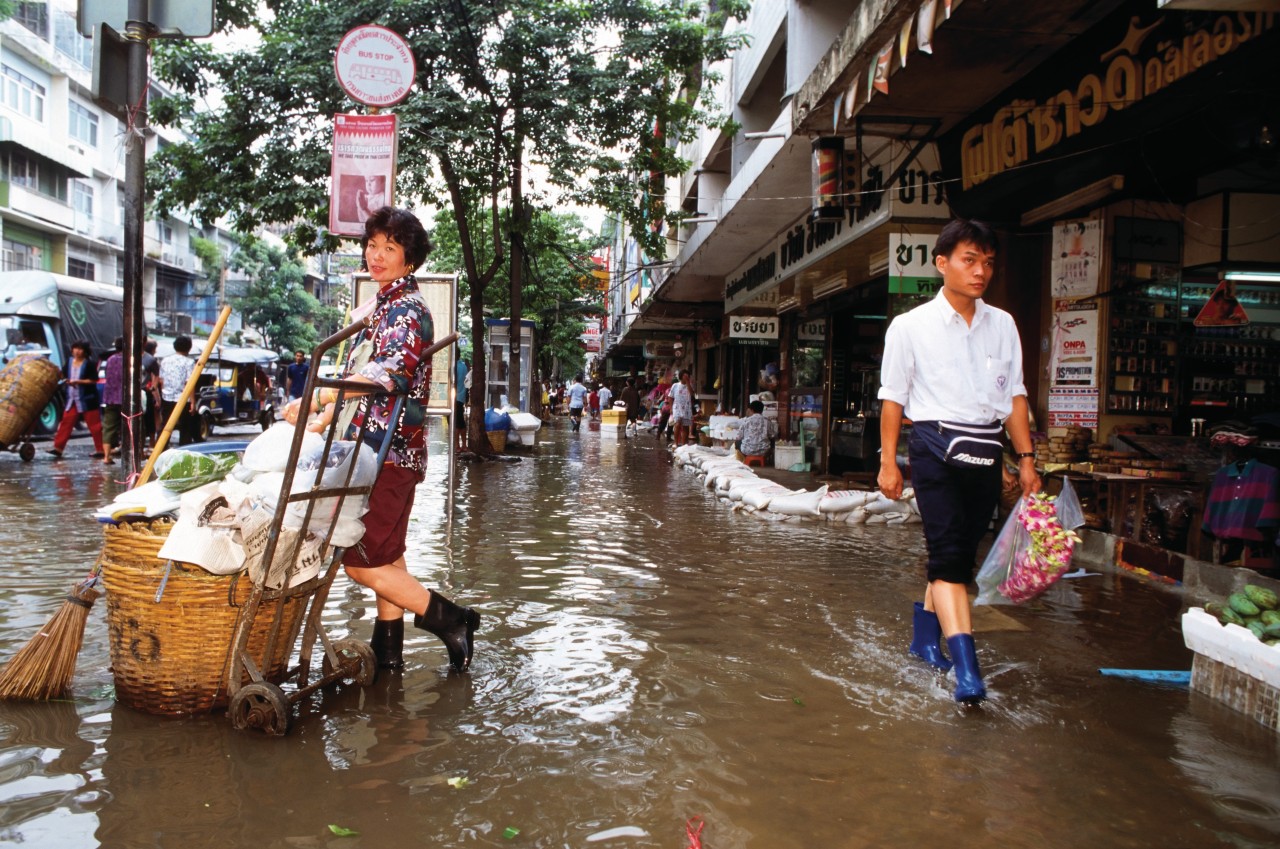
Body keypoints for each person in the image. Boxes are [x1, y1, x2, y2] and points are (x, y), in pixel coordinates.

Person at [284, 205, 480, 673]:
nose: (377, 255)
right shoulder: (383, 307)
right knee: (388, 555)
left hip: (388, 456)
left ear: (409, 260)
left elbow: (386, 374)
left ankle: (453, 619)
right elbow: (363, 385)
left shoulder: (406, 309)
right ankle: (389, 653)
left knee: (360, 561)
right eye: (373, 245)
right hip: (375, 452)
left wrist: (316, 401)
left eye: (390, 248)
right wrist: (326, 412)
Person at [877, 218, 1040, 704]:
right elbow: (892, 400)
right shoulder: (909, 327)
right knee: (948, 556)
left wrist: (1026, 458)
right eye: (970, 260)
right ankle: (968, 670)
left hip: (987, 450)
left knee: (960, 555)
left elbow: (1014, 397)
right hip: (933, 446)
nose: (980, 272)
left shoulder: (1004, 324)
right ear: (941, 263)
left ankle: (925, 636)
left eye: (988, 263)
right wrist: (890, 463)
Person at [48, 340, 105, 459]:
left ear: (85, 352)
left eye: (80, 349)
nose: (77, 351)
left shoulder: (89, 364)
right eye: (76, 348)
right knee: (66, 423)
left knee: (95, 426)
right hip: (72, 399)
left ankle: (101, 449)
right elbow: (63, 375)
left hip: (87, 399)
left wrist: (77, 382)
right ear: (72, 350)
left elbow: (93, 380)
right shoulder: (69, 362)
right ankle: (58, 448)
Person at [159, 335, 199, 446]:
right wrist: (192, 402)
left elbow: (161, 380)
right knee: (185, 428)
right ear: (189, 348)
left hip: (166, 397)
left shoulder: (165, 361)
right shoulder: (189, 362)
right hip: (183, 399)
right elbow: (189, 383)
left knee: (166, 426)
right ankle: (183, 450)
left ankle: (160, 451)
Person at [101, 337, 124, 464]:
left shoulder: (110, 359)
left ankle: (106, 456)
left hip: (110, 397)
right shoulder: (129, 360)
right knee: (130, 425)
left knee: (108, 427)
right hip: (126, 399)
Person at [141, 339, 161, 448]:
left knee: (149, 419)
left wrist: (153, 391)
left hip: (146, 393)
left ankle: (151, 443)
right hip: (132, 394)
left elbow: (155, 377)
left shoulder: (150, 360)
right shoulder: (128, 357)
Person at [669, 369, 693, 446]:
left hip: (687, 408)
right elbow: (670, 397)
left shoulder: (690, 385)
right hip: (677, 408)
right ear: (681, 376)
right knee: (678, 424)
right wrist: (670, 408)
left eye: (687, 376)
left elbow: (692, 394)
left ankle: (683, 444)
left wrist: (688, 382)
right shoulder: (675, 385)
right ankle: (676, 443)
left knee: (685, 427)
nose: (686, 377)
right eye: (684, 376)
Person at [455, 355, 469, 452]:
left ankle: (457, 446)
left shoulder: (452, 366)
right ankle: (463, 445)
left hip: (452, 399)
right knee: (461, 423)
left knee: (455, 424)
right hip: (461, 398)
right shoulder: (464, 367)